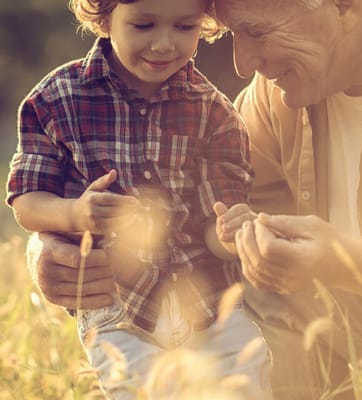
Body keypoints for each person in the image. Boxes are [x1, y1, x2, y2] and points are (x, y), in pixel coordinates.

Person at [21, 0, 362, 399]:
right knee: (246, 309)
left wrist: (340, 260)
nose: (242, 63)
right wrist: (50, 246)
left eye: (255, 32)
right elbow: (186, 204)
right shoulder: (281, 93)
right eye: (233, 34)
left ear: (344, 5)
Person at [6, 0, 272, 399]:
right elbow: (27, 201)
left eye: (184, 27)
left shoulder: (215, 112)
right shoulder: (57, 99)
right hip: (119, 307)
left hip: (209, 301)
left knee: (247, 384)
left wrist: (231, 231)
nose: (164, 44)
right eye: (144, 25)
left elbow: (216, 220)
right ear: (102, 16)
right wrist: (75, 212)